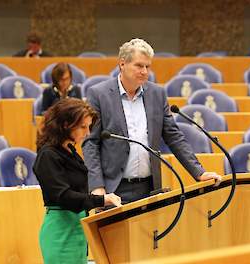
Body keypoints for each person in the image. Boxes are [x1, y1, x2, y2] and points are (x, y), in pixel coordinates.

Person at [82, 38, 222, 204]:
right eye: (139, 65)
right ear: (122, 64)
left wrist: (199, 172)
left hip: (149, 189)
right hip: (114, 189)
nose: (144, 71)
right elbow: (91, 143)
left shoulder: (157, 94)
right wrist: (97, 186)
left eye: (147, 66)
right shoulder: (99, 94)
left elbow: (174, 137)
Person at [33, 98, 121, 264]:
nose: (87, 133)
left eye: (89, 127)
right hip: (60, 231)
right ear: (66, 124)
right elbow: (64, 196)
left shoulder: (70, 151)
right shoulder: (48, 155)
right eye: (83, 127)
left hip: (77, 228)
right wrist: (101, 200)